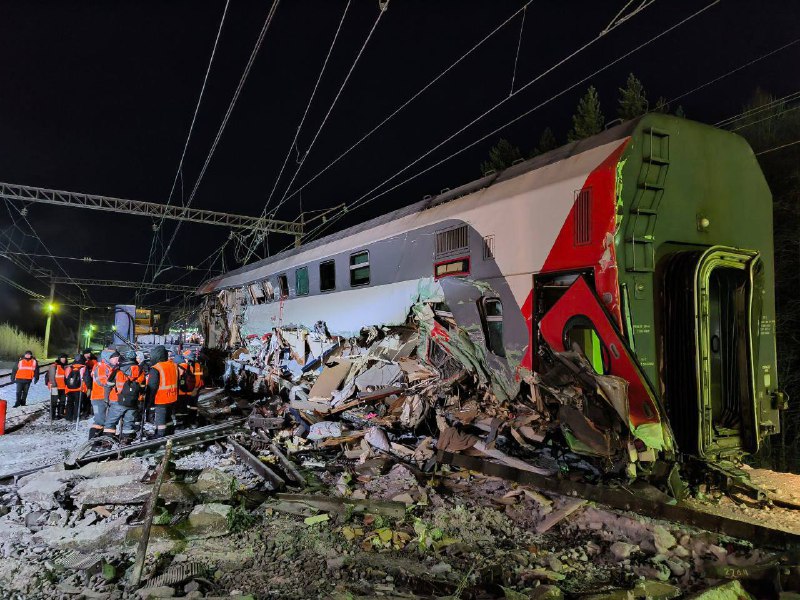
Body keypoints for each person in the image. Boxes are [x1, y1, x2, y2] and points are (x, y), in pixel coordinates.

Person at [103, 350, 144, 444]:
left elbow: (109, 385)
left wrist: (106, 399)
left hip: (117, 400)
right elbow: (142, 387)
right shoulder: (140, 370)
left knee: (110, 423)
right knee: (128, 424)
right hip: (133, 402)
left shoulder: (118, 369)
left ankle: (107, 444)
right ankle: (125, 444)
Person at [146, 345, 178, 438]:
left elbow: (152, 387)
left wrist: (149, 402)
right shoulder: (173, 365)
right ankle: (170, 431)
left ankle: (160, 435)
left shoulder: (156, 368)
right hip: (172, 396)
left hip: (161, 398)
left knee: (160, 419)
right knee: (168, 417)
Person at [88, 351, 119, 439]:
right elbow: (102, 381)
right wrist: (116, 382)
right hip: (99, 397)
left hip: (106, 397)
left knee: (106, 421)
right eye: (115, 358)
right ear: (108, 358)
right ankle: (93, 442)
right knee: (99, 420)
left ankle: (101, 440)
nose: (117, 360)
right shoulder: (101, 367)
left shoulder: (110, 367)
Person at [178, 349, 205, 428]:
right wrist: (195, 389)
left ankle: (185, 422)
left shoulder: (183, 365)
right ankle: (191, 421)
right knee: (192, 406)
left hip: (185, 391)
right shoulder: (197, 366)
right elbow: (199, 379)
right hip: (193, 391)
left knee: (185, 407)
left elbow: (179, 379)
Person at [45, 354, 69, 419]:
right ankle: (52, 415)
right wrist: (52, 385)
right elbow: (50, 377)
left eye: (65, 358)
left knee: (62, 402)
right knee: (54, 402)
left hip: (63, 388)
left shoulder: (66, 367)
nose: (64, 359)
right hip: (55, 387)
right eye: (62, 358)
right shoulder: (54, 366)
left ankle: (60, 414)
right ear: (59, 358)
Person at [64, 355, 87, 422]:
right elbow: (87, 379)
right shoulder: (83, 367)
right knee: (77, 403)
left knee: (69, 403)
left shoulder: (69, 368)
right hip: (79, 389)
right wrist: (88, 387)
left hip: (69, 389)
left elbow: (65, 378)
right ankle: (75, 417)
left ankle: (68, 417)